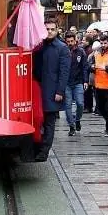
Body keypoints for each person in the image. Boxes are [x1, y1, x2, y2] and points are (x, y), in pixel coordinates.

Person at [32, 20, 70, 161]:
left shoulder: (62, 48)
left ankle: (44, 151)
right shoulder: (38, 47)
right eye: (47, 29)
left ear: (57, 30)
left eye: (52, 29)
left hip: (52, 91)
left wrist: (60, 92)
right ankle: (37, 146)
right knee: (38, 120)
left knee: (49, 123)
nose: (49, 32)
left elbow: (64, 72)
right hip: (37, 90)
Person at [89, 34, 108, 136]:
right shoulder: (96, 53)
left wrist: (107, 68)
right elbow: (91, 65)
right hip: (98, 84)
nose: (103, 45)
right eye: (101, 43)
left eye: (105, 43)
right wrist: (92, 67)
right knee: (101, 108)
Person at [63, 32, 89, 137]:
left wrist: (85, 81)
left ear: (75, 41)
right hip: (66, 83)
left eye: (71, 41)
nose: (70, 43)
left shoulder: (81, 51)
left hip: (78, 81)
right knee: (67, 105)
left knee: (80, 104)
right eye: (68, 41)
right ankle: (71, 126)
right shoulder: (63, 51)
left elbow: (84, 67)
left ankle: (77, 119)